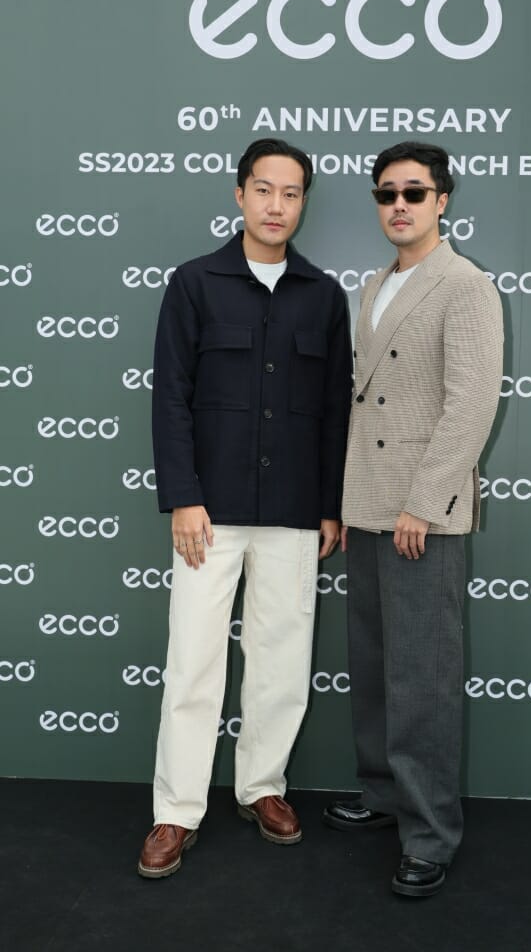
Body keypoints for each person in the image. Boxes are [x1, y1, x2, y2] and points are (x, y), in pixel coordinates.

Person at [138, 138, 352, 878]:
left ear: (303, 203)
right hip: (210, 513)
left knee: (282, 663)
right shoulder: (194, 283)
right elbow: (170, 396)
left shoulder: (322, 296)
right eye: (263, 189)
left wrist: (329, 506)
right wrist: (183, 497)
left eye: (290, 193)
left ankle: (262, 787)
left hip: (294, 511)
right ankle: (176, 809)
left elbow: (335, 411)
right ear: (239, 194)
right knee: (193, 663)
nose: (275, 205)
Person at [323, 141, 503, 897]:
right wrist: (344, 505)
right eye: (386, 193)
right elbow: (365, 405)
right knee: (372, 665)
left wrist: (424, 503)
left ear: (442, 201)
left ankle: (429, 833)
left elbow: (471, 405)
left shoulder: (466, 286)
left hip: (419, 515)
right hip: (367, 504)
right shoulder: (374, 284)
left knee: (422, 679)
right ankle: (383, 793)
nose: (398, 205)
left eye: (414, 193)